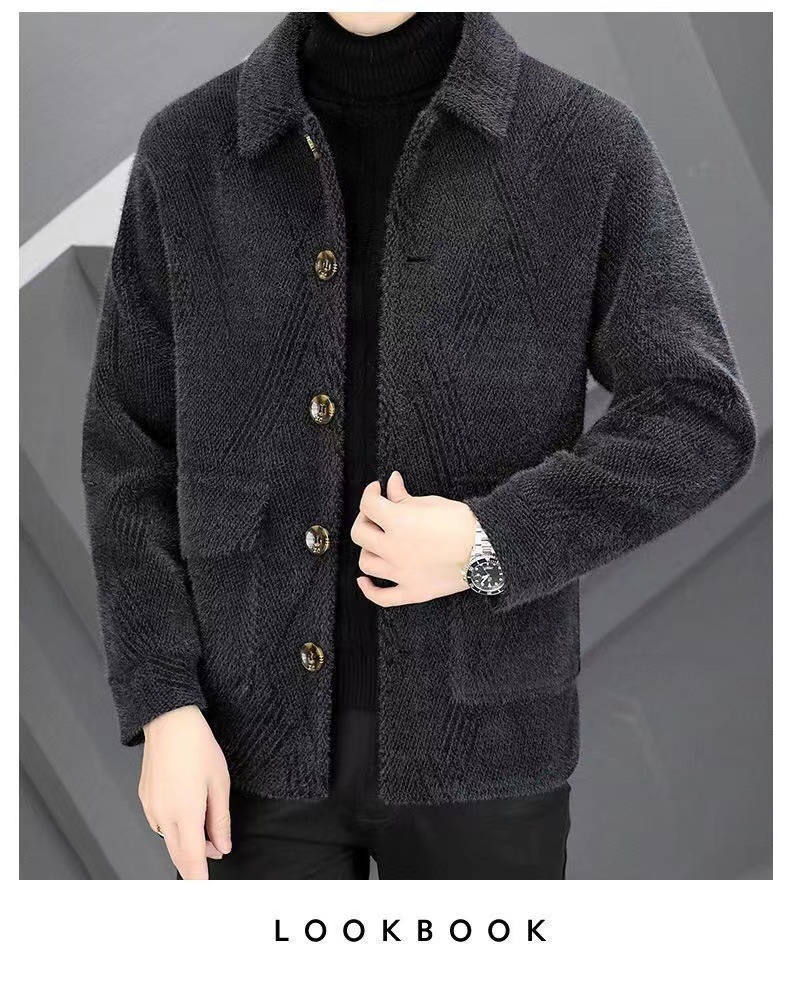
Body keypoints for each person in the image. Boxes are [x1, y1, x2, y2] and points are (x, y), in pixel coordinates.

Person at [81, 11, 757, 880]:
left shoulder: (584, 143)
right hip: (234, 749)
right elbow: (128, 450)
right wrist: (164, 701)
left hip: (489, 752)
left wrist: (491, 541)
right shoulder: (190, 151)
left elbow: (698, 414)